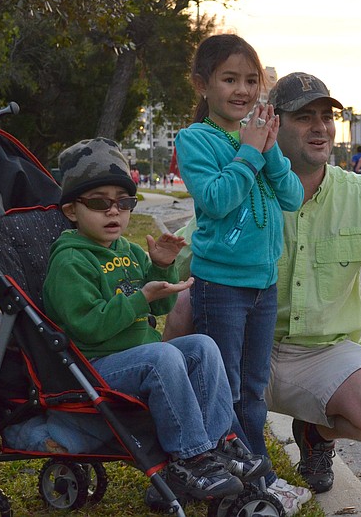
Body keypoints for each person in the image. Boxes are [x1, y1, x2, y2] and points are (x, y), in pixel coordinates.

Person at [165, 72, 361, 508]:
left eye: (327, 117)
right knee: (185, 303)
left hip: (320, 355)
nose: (320, 127)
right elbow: (178, 263)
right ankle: (180, 451)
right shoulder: (245, 186)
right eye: (304, 117)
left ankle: (315, 432)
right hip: (241, 347)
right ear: (272, 123)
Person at [42, 137, 271, 503]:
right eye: (100, 203)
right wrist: (141, 297)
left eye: (124, 202)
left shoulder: (129, 251)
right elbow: (89, 325)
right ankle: (189, 459)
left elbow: (158, 310)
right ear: (71, 210)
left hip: (136, 358)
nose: (114, 212)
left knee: (202, 346)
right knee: (162, 356)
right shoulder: (70, 260)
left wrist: (161, 268)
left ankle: (216, 445)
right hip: (94, 364)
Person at [172, 34, 305, 505]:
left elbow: (292, 196)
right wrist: (248, 152)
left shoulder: (257, 139)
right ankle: (234, 478)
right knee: (223, 387)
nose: (243, 90)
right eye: (230, 79)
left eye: (251, 80)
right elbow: (216, 200)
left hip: (263, 284)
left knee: (253, 389)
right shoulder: (195, 139)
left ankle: (256, 475)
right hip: (222, 285)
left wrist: (268, 150)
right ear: (202, 84)